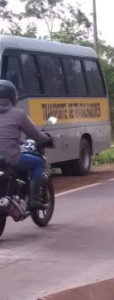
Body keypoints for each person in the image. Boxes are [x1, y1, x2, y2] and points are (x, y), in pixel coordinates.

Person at [0, 80, 52, 209]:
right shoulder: (18, 114)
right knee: (38, 162)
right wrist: (47, 138)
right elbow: (35, 134)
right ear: (13, 96)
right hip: (10, 158)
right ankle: (33, 200)